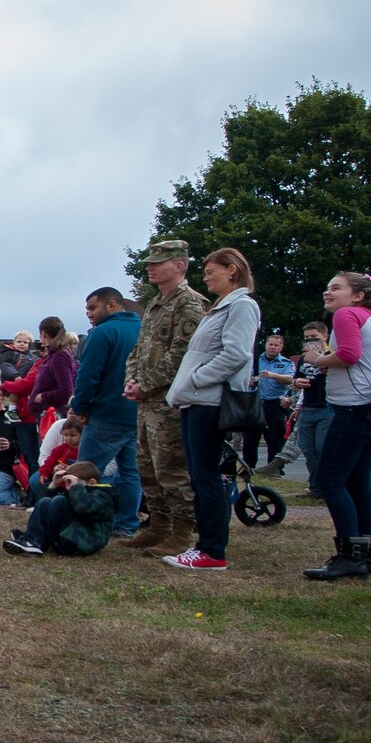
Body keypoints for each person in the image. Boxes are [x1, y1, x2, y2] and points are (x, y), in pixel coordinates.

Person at [162, 247, 260, 571]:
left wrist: (197, 379)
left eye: (210, 272)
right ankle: (204, 545)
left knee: (206, 477)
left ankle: (212, 550)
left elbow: (237, 354)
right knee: (200, 475)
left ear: (232, 270)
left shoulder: (242, 306)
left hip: (209, 402)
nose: (206, 278)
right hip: (196, 400)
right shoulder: (221, 308)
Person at [299, 273, 371, 579]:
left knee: (330, 480)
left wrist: (317, 359)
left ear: (357, 295)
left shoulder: (347, 314)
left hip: (353, 409)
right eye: (327, 287)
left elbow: (349, 356)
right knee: (358, 482)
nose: (328, 292)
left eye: (336, 287)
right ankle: (366, 554)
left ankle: (348, 557)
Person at [119, 240, 209, 555]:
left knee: (172, 468)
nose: (150, 267)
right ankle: (158, 526)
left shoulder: (190, 304)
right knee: (146, 466)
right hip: (147, 402)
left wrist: (146, 383)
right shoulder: (157, 304)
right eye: (149, 261)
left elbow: (182, 355)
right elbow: (138, 350)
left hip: (171, 402)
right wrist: (133, 379)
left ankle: (182, 533)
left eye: (158, 261)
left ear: (180, 265)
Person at [69, 286, 141, 537]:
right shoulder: (142, 330)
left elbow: (88, 376)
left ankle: (80, 521)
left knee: (85, 471)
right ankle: (127, 524)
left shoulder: (102, 333)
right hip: (136, 414)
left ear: (111, 305)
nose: (89, 313)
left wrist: (80, 407)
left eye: (92, 307)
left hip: (107, 413)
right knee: (130, 473)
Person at [4, 462, 117, 557]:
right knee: (46, 501)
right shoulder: (76, 493)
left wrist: (76, 487)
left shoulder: (103, 496)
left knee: (60, 501)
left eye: (72, 481)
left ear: (92, 482)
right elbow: (41, 507)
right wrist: (54, 485)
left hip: (85, 542)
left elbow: (84, 508)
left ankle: (33, 540)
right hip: (69, 536)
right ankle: (32, 540)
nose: (69, 485)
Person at [272, 321, 332, 486]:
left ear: (324, 336)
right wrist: (297, 382)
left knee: (322, 448)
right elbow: (295, 381)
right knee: (308, 449)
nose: (310, 340)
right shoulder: (304, 358)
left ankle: (326, 485)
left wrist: (324, 363)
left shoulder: (332, 355)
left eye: (314, 337)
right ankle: (315, 485)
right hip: (307, 407)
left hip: (326, 407)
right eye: (307, 337)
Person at [248, 334, 297, 472]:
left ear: (281, 347)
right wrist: (250, 381)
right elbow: (245, 375)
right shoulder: (255, 360)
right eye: (271, 344)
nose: (273, 347)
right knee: (250, 438)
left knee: (274, 439)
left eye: (276, 345)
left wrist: (273, 375)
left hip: (275, 405)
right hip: (255, 403)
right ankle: (247, 468)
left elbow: (290, 379)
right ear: (266, 345)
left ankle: (273, 470)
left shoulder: (286, 363)